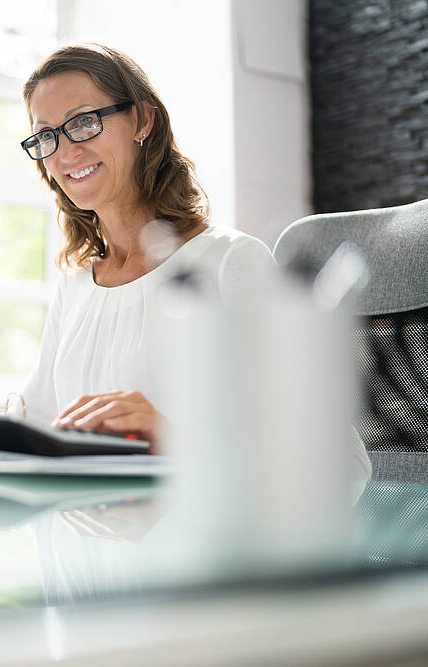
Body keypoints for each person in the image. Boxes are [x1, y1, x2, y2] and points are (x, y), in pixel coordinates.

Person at [19, 43, 274, 451]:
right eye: (45, 135)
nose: (66, 151)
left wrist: (172, 436)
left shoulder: (231, 263)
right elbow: (35, 422)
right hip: (84, 513)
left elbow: (337, 461)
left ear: (142, 119)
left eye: (83, 122)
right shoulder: (76, 288)